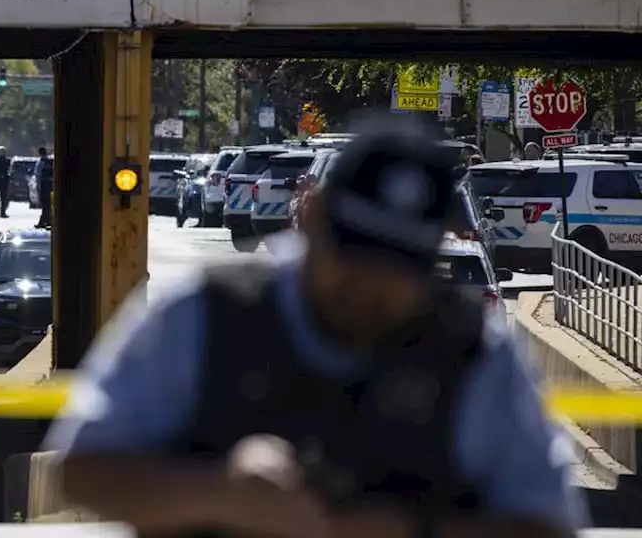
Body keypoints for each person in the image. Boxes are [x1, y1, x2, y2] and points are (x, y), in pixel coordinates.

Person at [44, 114, 584, 538]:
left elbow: (550, 523)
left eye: (399, 267)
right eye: (355, 253)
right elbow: (80, 471)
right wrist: (222, 492)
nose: (370, 285)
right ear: (314, 215)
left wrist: (411, 530)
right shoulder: (203, 314)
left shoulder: (473, 353)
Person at [34, 146, 54, 229]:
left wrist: (38, 186)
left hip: (43, 186)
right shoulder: (51, 161)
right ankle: (48, 221)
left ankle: (42, 222)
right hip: (51, 187)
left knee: (44, 205)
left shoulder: (40, 162)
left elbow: (38, 175)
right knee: (49, 205)